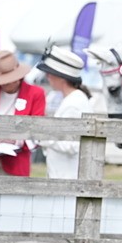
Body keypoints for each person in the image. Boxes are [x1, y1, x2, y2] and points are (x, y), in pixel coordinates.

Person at [0, 50, 46, 177]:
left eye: (9, 79)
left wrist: (8, 138)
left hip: (16, 166)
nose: (5, 83)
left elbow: (37, 132)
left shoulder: (35, 94)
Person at [35, 45, 91, 179]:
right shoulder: (71, 99)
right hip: (63, 176)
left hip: (68, 178)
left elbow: (73, 145)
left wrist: (44, 138)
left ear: (61, 77)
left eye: (50, 73)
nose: (47, 76)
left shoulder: (74, 103)